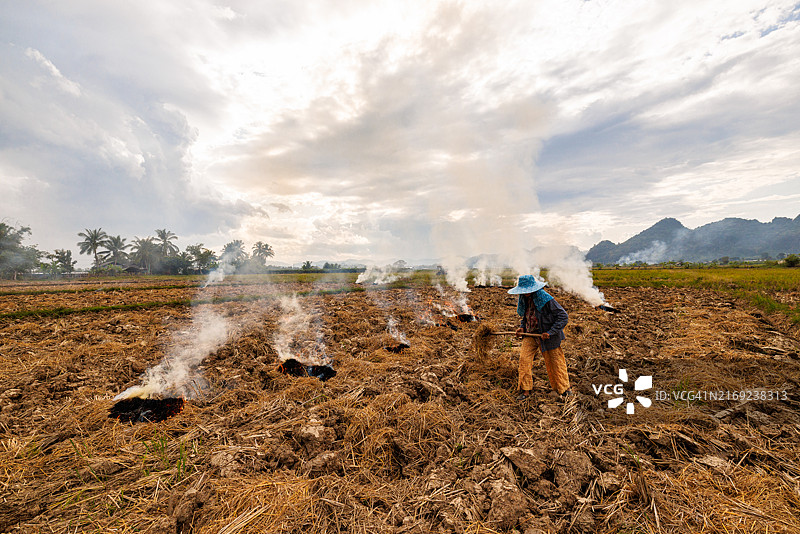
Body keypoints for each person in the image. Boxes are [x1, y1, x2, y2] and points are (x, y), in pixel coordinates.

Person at [508, 275, 572, 401]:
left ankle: (565, 389)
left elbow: (563, 316)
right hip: (530, 334)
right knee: (524, 360)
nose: (525, 293)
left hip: (547, 336)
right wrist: (522, 328)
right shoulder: (524, 299)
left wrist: (551, 332)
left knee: (555, 362)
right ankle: (525, 390)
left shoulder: (546, 299)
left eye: (527, 290)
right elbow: (526, 317)